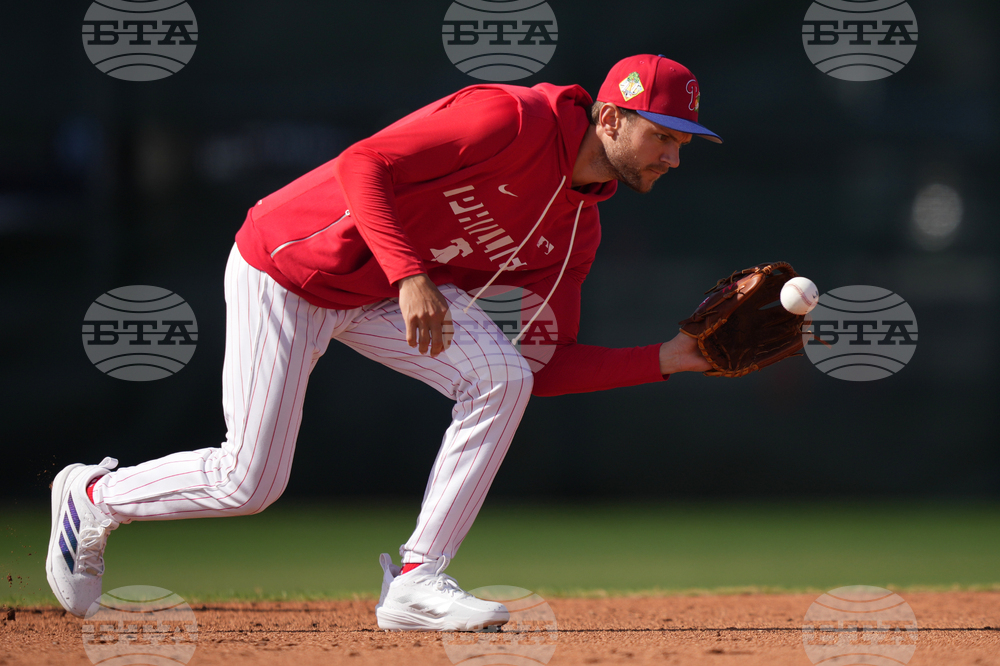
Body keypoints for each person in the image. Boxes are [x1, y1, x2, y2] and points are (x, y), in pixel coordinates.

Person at [46, 54, 721, 631]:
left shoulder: (577, 231)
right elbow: (363, 162)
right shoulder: (512, 118)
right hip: (290, 265)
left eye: (684, 144)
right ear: (610, 119)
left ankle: (417, 582)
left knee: (503, 378)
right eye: (664, 136)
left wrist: (668, 358)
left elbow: (543, 366)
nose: (674, 156)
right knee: (249, 482)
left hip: (386, 290)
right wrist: (409, 275)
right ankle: (93, 499)